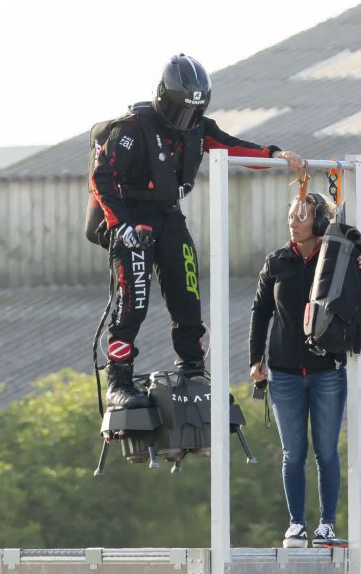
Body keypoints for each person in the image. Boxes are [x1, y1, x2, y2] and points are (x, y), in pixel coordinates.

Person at [91, 53, 305, 409]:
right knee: (134, 302)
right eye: (179, 111)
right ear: (162, 96)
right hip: (132, 220)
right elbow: (103, 177)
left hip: (169, 217)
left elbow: (234, 147)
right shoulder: (131, 129)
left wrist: (275, 154)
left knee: (187, 295)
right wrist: (122, 226)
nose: (185, 120)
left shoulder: (199, 129)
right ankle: (119, 378)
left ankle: (192, 371)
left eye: (193, 112)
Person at [248, 192, 361, 548]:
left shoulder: (338, 260)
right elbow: (260, 311)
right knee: (294, 452)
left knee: (326, 451)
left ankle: (327, 525)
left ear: (318, 222)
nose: (293, 222)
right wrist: (255, 359)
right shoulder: (276, 262)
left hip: (327, 371)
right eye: (290, 215)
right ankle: (296, 525)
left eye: (301, 216)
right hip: (285, 373)